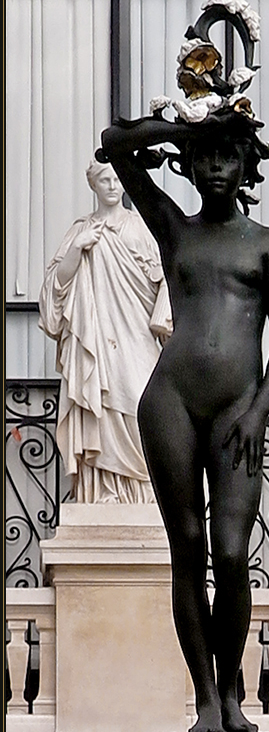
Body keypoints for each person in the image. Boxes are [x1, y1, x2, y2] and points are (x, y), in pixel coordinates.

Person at [98, 0, 269, 732]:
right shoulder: (175, 228)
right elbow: (114, 143)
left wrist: (258, 409)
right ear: (190, 163)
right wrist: (192, 118)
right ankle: (203, 701)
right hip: (170, 401)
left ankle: (233, 693)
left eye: (232, 152)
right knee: (187, 548)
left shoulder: (268, 244)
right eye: (207, 154)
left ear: (250, 160)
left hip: (235, 410)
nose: (219, 163)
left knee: (232, 552)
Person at [38, 160, 173, 504]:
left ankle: (145, 495)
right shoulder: (81, 229)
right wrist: (77, 248)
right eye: (105, 179)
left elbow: (168, 278)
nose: (113, 186)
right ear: (93, 185)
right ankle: (103, 493)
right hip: (96, 339)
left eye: (117, 179)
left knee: (140, 403)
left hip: (137, 339)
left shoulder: (141, 229)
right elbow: (54, 288)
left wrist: (164, 314)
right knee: (99, 403)